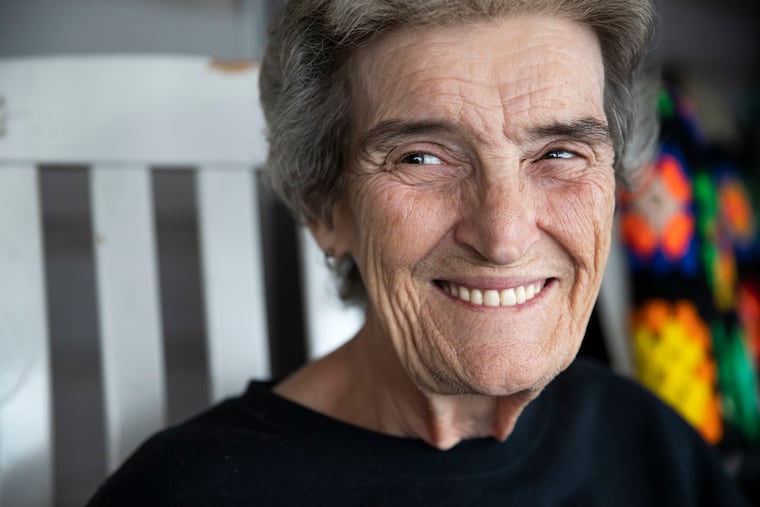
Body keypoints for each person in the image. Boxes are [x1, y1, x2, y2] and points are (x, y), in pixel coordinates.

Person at [87, 1, 751, 505]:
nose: (504, 236)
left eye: (559, 153)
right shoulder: (188, 489)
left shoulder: (652, 449)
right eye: (422, 158)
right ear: (325, 207)